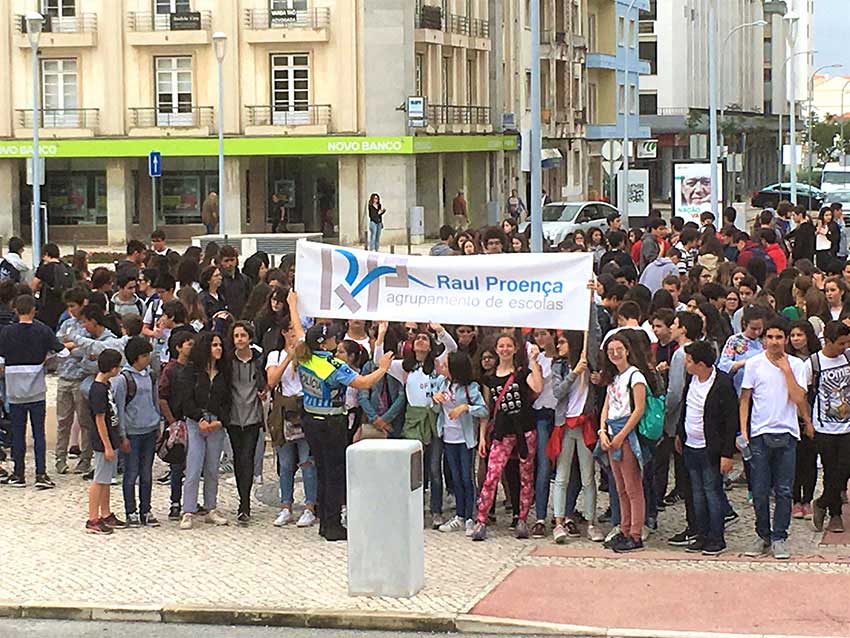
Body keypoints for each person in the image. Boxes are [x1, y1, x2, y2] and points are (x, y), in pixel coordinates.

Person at [291, 292, 394, 541]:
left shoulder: (305, 356)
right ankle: (333, 525)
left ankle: (324, 522)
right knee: (335, 473)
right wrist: (382, 368)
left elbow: (297, 331)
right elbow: (363, 383)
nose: (336, 342)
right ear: (325, 344)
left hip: (310, 419)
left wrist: (292, 305)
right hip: (332, 421)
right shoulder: (335, 366)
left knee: (322, 471)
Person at [739, 319, 810, 560]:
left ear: (786, 339)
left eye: (779, 337)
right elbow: (745, 398)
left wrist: (786, 370)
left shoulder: (798, 365)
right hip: (759, 433)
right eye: (770, 337)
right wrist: (744, 431)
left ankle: (780, 536)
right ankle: (762, 534)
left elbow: (799, 398)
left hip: (787, 433)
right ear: (764, 339)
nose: (774, 342)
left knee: (784, 490)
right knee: (759, 490)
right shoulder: (754, 364)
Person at [471, 333, 544, 541]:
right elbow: (487, 409)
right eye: (501, 346)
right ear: (496, 349)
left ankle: (522, 518)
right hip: (502, 431)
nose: (504, 349)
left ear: (514, 349)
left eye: (508, 346)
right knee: (491, 475)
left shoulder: (522, 374)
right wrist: (483, 437)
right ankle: (482, 519)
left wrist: (533, 362)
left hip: (525, 429)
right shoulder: (490, 378)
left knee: (526, 476)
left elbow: (538, 387)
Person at [676, 340, 739, 555]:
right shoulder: (691, 379)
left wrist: (727, 453)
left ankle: (716, 536)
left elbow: (731, 420)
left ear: (701, 364)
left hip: (711, 448)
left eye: (689, 361)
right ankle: (701, 533)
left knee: (712, 492)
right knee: (697, 493)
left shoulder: (722, 383)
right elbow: (686, 407)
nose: (686, 364)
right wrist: (679, 433)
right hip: (691, 445)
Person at [0, 295, 68, 488]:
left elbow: (0, 361)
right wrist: (46, 361)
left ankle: (19, 473)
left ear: (16, 310)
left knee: (18, 432)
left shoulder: (6, 333)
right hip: (36, 389)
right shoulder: (43, 330)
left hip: (14, 390)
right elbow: (63, 353)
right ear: (33, 310)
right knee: (39, 433)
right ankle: (41, 474)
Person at [176, 332, 232, 530]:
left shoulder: (224, 373)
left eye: (220, 345)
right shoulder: (191, 372)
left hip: (216, 422)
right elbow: (185, 399)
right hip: (195, 422)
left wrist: (220, 421)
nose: (218, 348)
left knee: (212, 468)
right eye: (214, 345)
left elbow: (228, 401)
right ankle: (188, 510)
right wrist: (198, 418)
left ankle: (211, 507)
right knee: (193, 467)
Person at [598, 333, 648, 553]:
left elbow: (638, 409)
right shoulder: (614, 378)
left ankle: (636, 533)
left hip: (626, 433)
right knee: (620, 487)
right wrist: (602, 431)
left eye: (619, 349)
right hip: (611, 432)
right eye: (611, 351)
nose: (615, 354)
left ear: (627, 350)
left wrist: (622, 435)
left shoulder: (635, 377)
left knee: (632, 486)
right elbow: (606, 406)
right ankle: (625, 528)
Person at [265, 322, 318, 528]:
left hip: (304, 408)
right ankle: (285, 505)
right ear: (285, 333)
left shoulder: (309, 356)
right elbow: (271, 380)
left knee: (307, 462)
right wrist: (289, 356)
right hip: (284, 410)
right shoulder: (275, 356)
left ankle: (310, 506)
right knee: (286, 464)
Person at [432, 352, 489, 535]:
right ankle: (459, 515)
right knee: (455, 477)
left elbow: (483, 410)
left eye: (447, 365)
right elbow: (435, 408)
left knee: (467, 477)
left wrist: (465, 407)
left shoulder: (470, 388)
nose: (443, 367)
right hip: (448, 436)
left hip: (465, 439)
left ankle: (471, 516)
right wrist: (435, 400)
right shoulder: (442, 383)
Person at [805, 320, 850, 535]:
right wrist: (807, 422)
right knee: (831, 471)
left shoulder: (848, 357)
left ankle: (822, 501)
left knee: (844, 470)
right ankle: (835, 514)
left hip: (847, 425)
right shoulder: (814, 363)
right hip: (824, 428)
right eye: (840, 343)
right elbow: (803, 395)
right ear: (829, 342)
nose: (844, 347)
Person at [113, 336, 161, 527]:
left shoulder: (150, 376)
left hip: (149, 429)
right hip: (132, 432)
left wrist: (158, 425)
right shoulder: (124, 379)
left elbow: (155, 400)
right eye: (144, 355)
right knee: (131, 473)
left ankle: (146, 509)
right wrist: (122, 435)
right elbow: (120, 408)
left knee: (147, 474)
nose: (147, 358)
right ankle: (130, 510)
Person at [227, 321, 267, 525]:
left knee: (247, 458)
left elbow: (266, 381)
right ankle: (243, 500)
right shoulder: (227, 360)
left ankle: (245, 503)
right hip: (233, 416)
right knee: (237, 458)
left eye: (243, 335)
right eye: (236, 336)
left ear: (250, 338)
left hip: (252, 415)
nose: (240, 339)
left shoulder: (259, 360)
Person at [85, 348, 126, 534]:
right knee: (99, 479)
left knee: (107, 479)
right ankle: (93, 518)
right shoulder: (98, 390)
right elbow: (99, 419)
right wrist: (107, 445)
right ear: (112, 368)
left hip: (112, 436)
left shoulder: (106, 385)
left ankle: (106, 513)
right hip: (103, 440)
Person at [158, 330, 195, 521]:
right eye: (188, 343)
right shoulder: (170, 370)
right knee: (177, 464)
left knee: (193, 464)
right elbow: (162, 397)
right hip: (176, 421)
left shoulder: (194, 368)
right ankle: (175, 502)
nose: (192, 346)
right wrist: (172, 421)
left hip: (192, 420)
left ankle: (190, 500)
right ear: (178, 347)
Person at [54, 288, 89, 476]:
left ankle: (85, 459)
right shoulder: (66, 323)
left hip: (81, 377)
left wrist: (72, 346)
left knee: (85, 421)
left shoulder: (88, 325)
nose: (71, 310)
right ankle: (60, 459)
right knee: (62, 421)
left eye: (73, 306)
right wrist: (72, 346)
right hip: (64, 376)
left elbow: (84, 350)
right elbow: (59, 345)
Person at [717, 305, 767, 394]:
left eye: (759, 328)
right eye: (753, 328)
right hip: (739, 387)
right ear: (745, 324)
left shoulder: (765, 341)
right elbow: (723, 364)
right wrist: (744, 363)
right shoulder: (735, 341)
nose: (757, 332)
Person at [31, 243, 74, 330]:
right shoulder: (67, 268)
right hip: (64, 306)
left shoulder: (44, 268)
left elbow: (33, 287)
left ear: (46, 254)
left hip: (48, 308)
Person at [218, 246, 251, 319]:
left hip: (243, 319)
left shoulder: (245, 279)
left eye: (232, 260)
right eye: (226, 261)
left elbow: (250, 300)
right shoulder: (218, 280)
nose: (230, 264)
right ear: (221, 262)